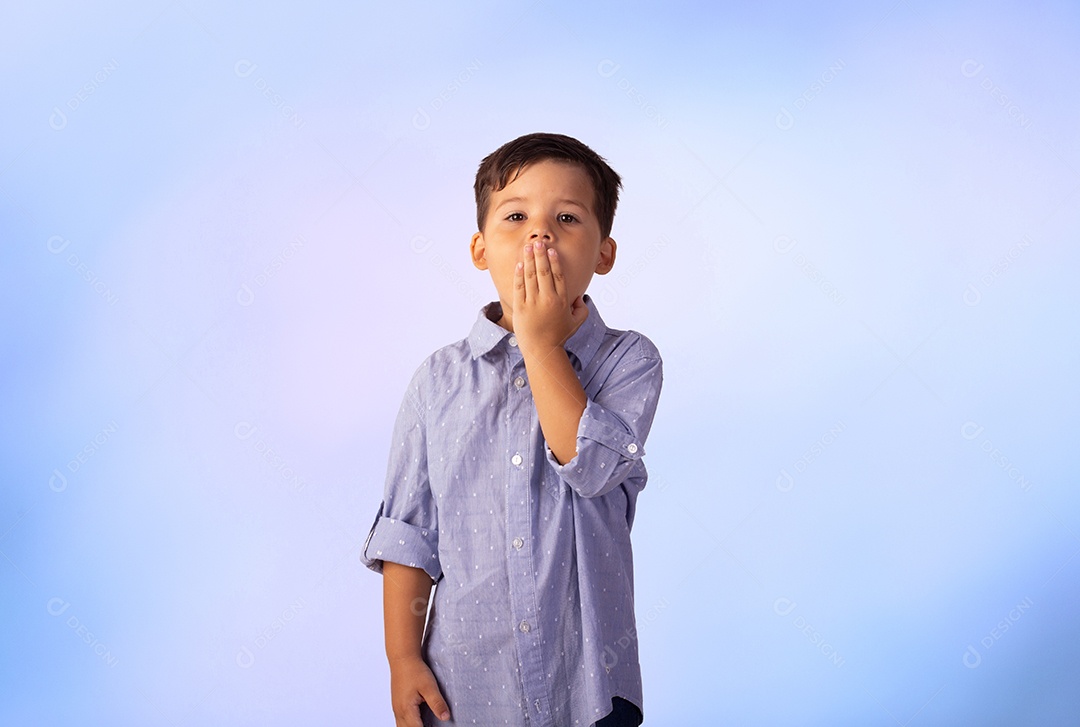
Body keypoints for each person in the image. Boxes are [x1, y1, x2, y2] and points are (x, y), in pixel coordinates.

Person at [362, 132, 663, 727]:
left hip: (590, 686)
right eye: (517, 216)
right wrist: (402, 658)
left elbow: (590, 464)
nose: (540, 235)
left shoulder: (628, 360)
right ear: (480, 249)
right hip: (466, 687)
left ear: (603, 253)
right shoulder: (438, 380)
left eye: (567, 218)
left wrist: (539, 340)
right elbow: (409, 534)